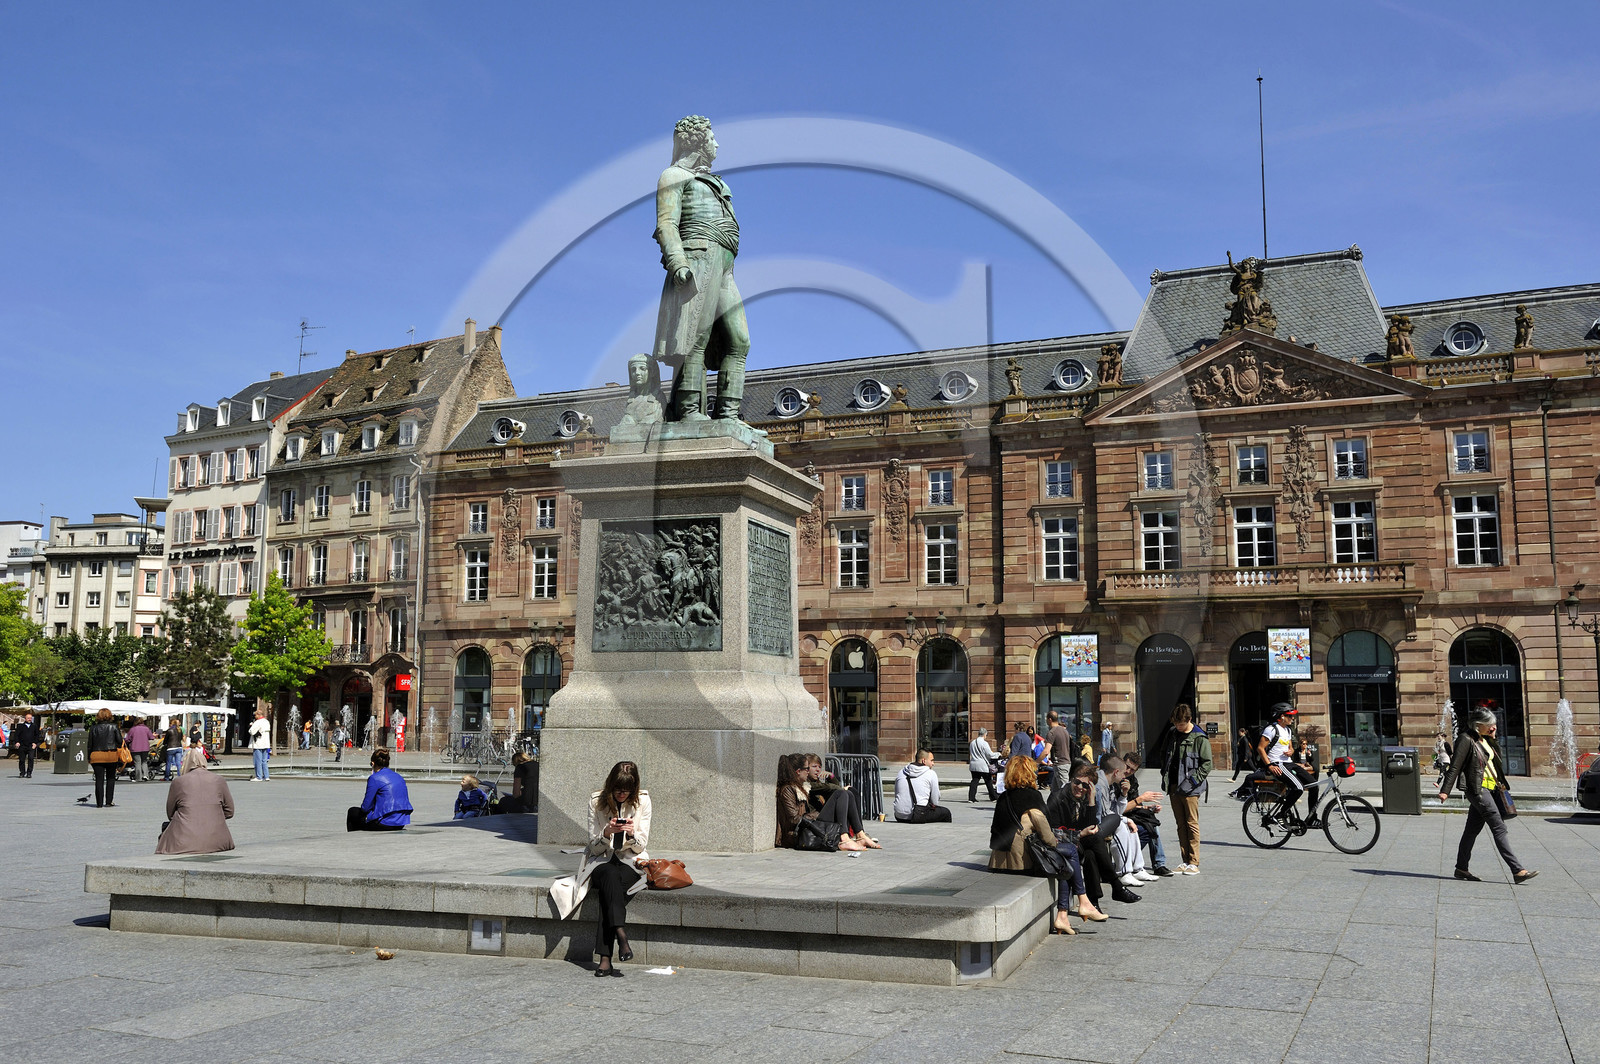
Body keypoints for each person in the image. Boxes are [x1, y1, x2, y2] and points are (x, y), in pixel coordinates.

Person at [554, 761, 652, 976]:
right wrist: (606, 833)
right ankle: (621, 934)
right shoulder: (596, 801)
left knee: (610, 890)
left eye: (626, 790)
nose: (621, 794)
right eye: (617, 789)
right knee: (609, 874)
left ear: (634, 788)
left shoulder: (643, 801)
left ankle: (605, 958)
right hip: (601, 861)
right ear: (610, 786)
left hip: (629, 861)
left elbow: (641, 846)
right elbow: (594, 847)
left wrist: (632, 834)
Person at [988, 757, 1100, 933]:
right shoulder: (1032, 797)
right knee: (1068, 852)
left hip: (998, 860)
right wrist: (1059, 840)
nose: (1035, 774)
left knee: (1063, 860)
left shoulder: (1004, 797)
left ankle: (1065, 915)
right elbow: (1047, 836)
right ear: (1028, 773)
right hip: (1020, 861)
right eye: (1033, 771)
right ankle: (1081, 902)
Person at [1438, 707, 1537, 884]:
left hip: (1492, 789)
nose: (1494, 727)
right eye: (1490, 725)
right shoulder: (1465, 739)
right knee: (1499, 827)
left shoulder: (1485, 739)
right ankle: (1517, 870)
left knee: (1471, 831)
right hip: (1478, 789)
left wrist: (1492, 737)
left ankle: (1461, 868)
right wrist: (1445, 790)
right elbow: (1455, 766)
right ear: (1478, 725)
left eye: (1494, 724)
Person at [1045, 757, 1126, 913]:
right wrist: (1080, 834)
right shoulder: (1057, 797)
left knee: (1090, 853)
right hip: (1061, 844)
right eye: (1077, 782)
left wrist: (1091, 801)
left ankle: (1094, 903)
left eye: (1085, 785)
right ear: (1071, 779)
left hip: (1079, 843)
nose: (1080, 787)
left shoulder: (1084, 798)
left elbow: (1091, 825)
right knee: (1094, 842)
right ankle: (1115, 886)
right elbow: (1054, 833)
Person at [775, 754, 868, 851]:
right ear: (798, 771)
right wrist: (816, 815)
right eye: (807, 768)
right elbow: (794, 819)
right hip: (798, 834)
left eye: (819, 767)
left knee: (847, 793)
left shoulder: (801, 786)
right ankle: (844, 838)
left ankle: (859, 835)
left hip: (809, 824)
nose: (808, 771)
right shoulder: (788, 789)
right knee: (840, 793)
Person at [1161, 703, 1212, 875]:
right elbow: (1164, 754)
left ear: (1189, 719)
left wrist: (1194, 780)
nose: (1178, 727)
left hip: (1190, 787)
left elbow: (1207, 764)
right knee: (1180, 824)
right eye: (1176, 724)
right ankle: (1185, 860)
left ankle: (1194, 862)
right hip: (1173, 785)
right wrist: (1164, 773)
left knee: (1191, 823)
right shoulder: (1172, 733)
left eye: (1181, 724)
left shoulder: (1199, 737)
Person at [156, 747, 235, 855]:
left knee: (165, 830)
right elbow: (230, 811)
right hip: (219, 841)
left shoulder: (178, 782)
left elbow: (170, 814)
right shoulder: (219, 780)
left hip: (184, 842)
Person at [1095, 754, 1155, 886]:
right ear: (1116, 772)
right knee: (1121, 826)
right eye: (1123, 772)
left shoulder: (1110, 784)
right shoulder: (1100, 784)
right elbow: (1105, 814)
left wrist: (1124, 794)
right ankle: (1123, 872)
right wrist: (1125, 820)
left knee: (1130, 826)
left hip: (1104, 819)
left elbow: (1115, 812)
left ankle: (1137, 868)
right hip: (1093, 825)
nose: (1125, 775)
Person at [1257, 703, 1317, 823]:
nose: (1292, 718)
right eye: (1289, 716)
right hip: (1277, 764)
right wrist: (1269, 766)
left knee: (1314, 785)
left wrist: (1291, 751)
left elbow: (1291, 748)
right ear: (1281, 716)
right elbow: (1260, 748)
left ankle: (1312, 818)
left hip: (1288, 763)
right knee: (1299, 788)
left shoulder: (1288, 730)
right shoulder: (1271, 729)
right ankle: (1281, 814)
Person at [1119, 751, 1173, 876]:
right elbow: (1119, 809)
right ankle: (1132, 861)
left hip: (1129, 813)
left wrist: (1148, 808)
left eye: (1132, 770)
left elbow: (1134, 803)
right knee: (1148, 826)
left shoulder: (1132, 780)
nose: (1128, 771)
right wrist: (1141, 799)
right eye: (1127, 767)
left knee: (1151, 821)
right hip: (1117, 816)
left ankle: (1159, 864)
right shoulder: (1116, 778)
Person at [347, 748, 412, 831]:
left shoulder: (374, 778)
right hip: (401, 822)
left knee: (352, 812)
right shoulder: (398, 776)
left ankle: (354, 836)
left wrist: (373, 775)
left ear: (373, 763)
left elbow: (365, 807)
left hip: (384, 822)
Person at [893, 750, 952, 823]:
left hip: (899, 815)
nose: (933, 763)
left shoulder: (902, 772)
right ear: (924, 761)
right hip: (918, 814)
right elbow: (935, 802)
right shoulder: (931, 773)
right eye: (931, 760)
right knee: (946, 813)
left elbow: (897, 794)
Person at [86, 708, 124, 808]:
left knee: (99, 780)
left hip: (96, 755)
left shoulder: (93, 728)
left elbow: (90, 744)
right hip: (111, 755)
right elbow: (120, 741)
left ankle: (99, 803)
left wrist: (88, 756)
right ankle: (108, 801)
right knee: (111, 778)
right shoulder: (114, 726)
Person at [1043, 711, 1072, 792]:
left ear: (1050, 719)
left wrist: (1036, 762)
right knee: (1054, 792)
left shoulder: (1052, 732)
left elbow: (1046, 751)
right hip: (1066, 762)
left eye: (1046, 719)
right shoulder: (1064, 731)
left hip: (1060, 764)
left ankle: (1071, 801)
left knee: (1065, 790)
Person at [968, 728, 999, 802]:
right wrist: (998, 754)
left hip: (973, 764)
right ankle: (993, 797)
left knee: (974, 781)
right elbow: (990, 754)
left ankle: (971, 798)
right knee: (988, 781)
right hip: (982, 765)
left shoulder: (972, 742)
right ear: (985, 734)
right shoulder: (984, 743)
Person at [11, 712, 40, 778]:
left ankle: (29, 773)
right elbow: (16, 735)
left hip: (31, 745)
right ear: (25, 719)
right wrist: (17, 742)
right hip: (22, 745)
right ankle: (22, 772)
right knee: (22, 759)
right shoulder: (20, 726)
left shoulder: (34, 726)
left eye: (30, 718)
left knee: (31, 758)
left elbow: (37, 735)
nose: (29, 719)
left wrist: (35, 743)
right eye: (28, 718)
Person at [126, 717, 154, 782]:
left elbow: (128, 739)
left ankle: (138, 778)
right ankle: (145, 775)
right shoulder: (146, 728)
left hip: (135, 748)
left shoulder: (132, 729)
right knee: (144, 762)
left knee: (137, 763)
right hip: (145, 747)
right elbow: (151, 737)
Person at [248, 709, 272, 782]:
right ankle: (266, 776)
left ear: (258, 715)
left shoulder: (257, 722)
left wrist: (251, 726)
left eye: (255, 715)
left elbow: (251, 731)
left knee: (257, 761)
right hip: (266, 743)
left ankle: (259, 777)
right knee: (264, 761)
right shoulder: (266, 721)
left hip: (258, 743)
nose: (255, 716)